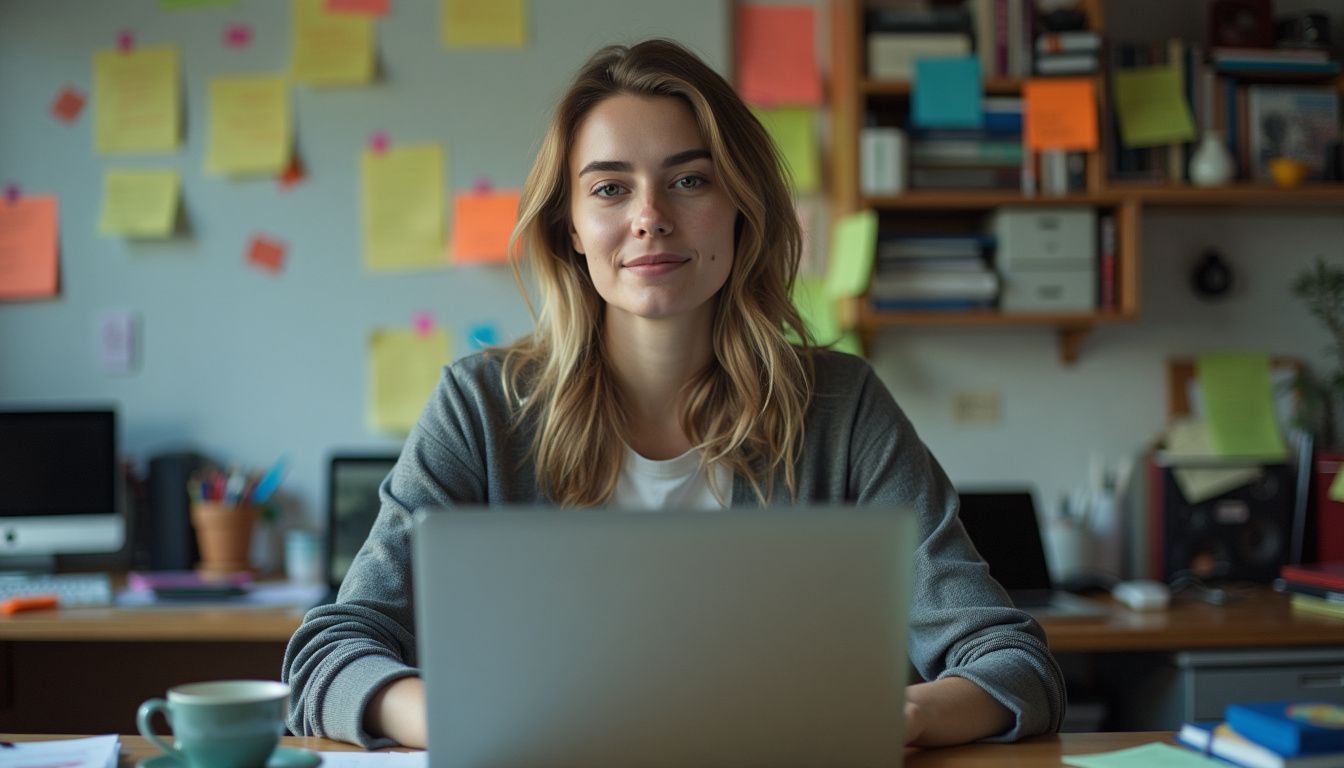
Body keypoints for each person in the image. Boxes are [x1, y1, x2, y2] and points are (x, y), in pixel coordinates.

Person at [283, 38, 1065, 751]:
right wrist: (459, 721)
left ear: (741, 209)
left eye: (690, 180)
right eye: (611, 189)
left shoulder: (841, 406)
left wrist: (900, 716)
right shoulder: (481, 407)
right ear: (570, 229)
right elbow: (331, 652)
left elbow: (1012, 660)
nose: (650, 218)